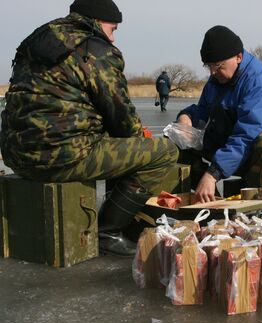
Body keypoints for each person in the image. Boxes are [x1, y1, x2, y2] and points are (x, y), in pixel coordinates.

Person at [0, 0, 179, 256]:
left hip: (17, 155)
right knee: (164, 152)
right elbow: (122, 118)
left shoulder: (39, 41)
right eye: (113, 29)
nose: (113, 38)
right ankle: (108, 231)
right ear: (97, 22)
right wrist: (142, 139)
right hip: (62, 158)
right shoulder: (96, 49)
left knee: (106, 138)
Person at [176, 25, 262, 203]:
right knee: (178, 143)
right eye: (209, 66)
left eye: (218, 65)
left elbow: (248, 134)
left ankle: (257, 207)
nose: (212, 72)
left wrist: (212, 174)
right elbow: (203, 113)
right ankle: (211, 200)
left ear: (239, 57)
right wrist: (186, 118)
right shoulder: (216, 80)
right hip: (232, 145)